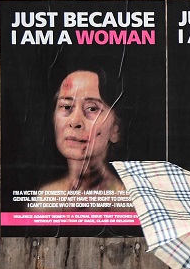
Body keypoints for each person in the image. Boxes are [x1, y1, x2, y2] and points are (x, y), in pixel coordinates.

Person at [38, 65, 128, 210]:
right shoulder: (43, 201)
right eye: (66, 107)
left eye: (92, 109)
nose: (75, 122)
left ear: (115, 130)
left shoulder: (129, 205)